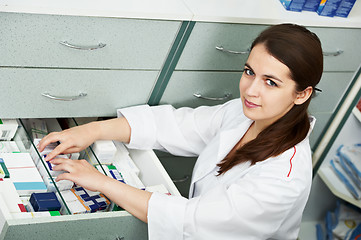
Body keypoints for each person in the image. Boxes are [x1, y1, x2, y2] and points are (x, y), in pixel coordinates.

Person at [38, 23, 323, 239]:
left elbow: (192, 220)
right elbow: (175, 126)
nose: (251, 90)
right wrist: (90, 131)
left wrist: (100, 181)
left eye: (271, 82)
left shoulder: (283, 179)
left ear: (301, 94)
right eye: (249, 71)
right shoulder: (244, 112)